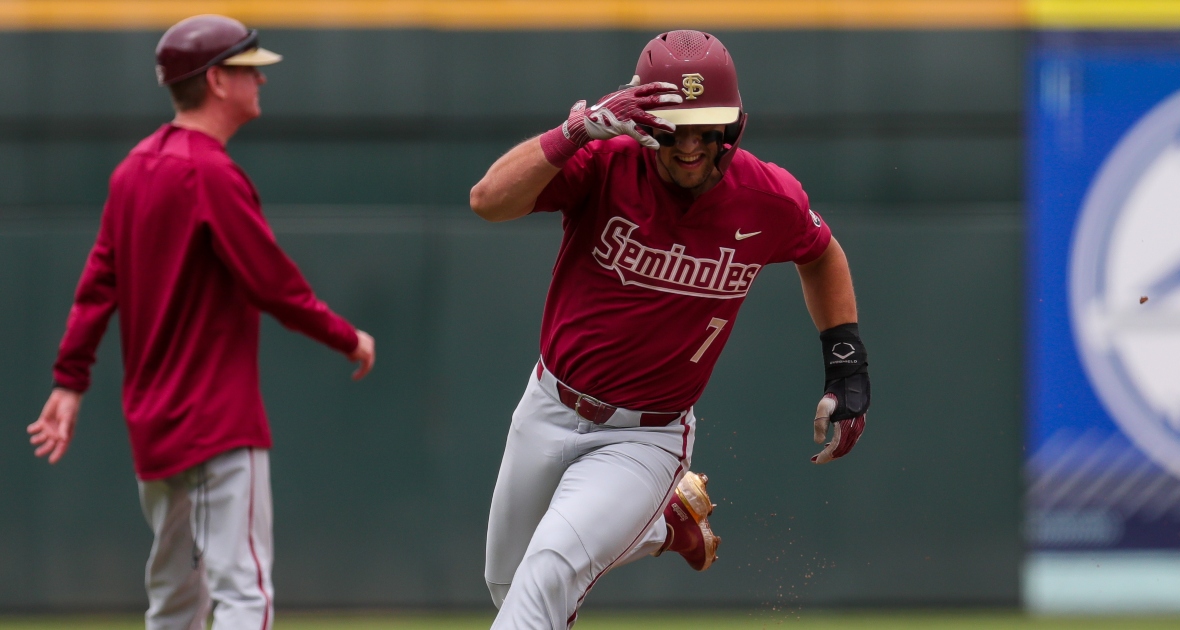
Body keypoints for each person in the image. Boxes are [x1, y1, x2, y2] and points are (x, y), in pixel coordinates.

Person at [470, 30, 871, 629]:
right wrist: (574, 131)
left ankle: (654, 510)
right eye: (673, 126)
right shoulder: (605, 164)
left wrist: (847, 363)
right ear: (644, 121)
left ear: (731, 129)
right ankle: (664, 525)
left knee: (547, 574)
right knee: (508, 584)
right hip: (548, 404)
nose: (689, 145)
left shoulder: (766, 197)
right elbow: (487, 201)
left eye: (705, 128)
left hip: (646, 437)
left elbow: (821, 252)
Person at [26, 15, 376, 630]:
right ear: (216, 80)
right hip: (217, 425)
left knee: (173, 602)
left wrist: (69, 381)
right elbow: (274, 284)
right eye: (250, 71)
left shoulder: (133, 169)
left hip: (156, 429)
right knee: (243, 594)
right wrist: (347, 337)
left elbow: (95, 286)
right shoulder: (211, 172)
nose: (261, 83)